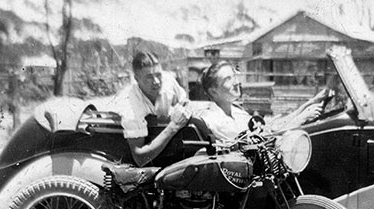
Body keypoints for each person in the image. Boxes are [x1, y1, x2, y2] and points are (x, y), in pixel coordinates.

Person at [196, 60, 327, 141]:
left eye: (234, 76)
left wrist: (308, 104)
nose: (236, 82)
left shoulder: (237, 112)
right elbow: (263, 139)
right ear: (214, 91)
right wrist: (302, 118)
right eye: (228, 79)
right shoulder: (212, 119)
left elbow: (270, 127)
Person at [112, 52, 190, 166]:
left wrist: (181, 109)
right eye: (149, 77)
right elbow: (140, 158)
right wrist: (174, 126)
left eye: (158, 75)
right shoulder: (129, 106)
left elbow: (185, 102)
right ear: (137, 79)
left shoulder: (168, 81)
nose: (156, 81)